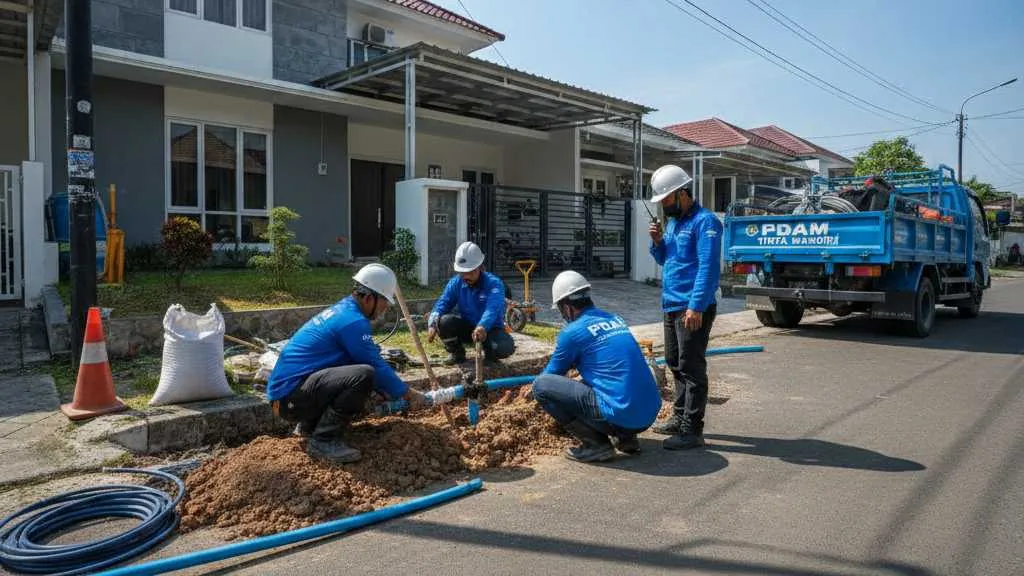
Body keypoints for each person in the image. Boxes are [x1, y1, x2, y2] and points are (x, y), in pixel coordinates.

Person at [267, 263, 427, 464]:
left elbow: (355, 359)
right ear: (369, 298)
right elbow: (373, 366)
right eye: (384, 302)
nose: (385, 309)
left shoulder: (344, 311)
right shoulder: (353, 322)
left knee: (361, 374)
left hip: (287, 397)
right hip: (289, 400)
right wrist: (408, 393)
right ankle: (323, 441)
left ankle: (309, 427)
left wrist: (381, 389)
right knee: (364, 375)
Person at [532, 271, 662, 463]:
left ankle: (596, 444)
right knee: (601, 379)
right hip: (649, 413)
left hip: (623, 416)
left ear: (567, 308)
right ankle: (627, 439)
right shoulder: (616, 319)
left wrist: (530, 388)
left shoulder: (572, 333)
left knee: (541, 387)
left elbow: (551, 376)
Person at [647, 164, 723, 451]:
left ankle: (693, 429)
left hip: (693, 307)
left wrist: (696, 305)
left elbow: (708, 268)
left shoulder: (706, 222)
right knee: (674, 362)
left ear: (681, 194)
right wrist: (657, 242)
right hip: (672, 304)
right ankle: (678, 418)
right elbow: (666, 258)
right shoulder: (676, 222)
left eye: (666, 199)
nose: (663, 206)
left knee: (692, 367)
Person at [427, 241, 516, 365]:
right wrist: (432, 323)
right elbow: (443, 303)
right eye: (462, 272)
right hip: (468, 329)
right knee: (443, 322)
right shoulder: (456, 283)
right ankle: (457, 353)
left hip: (490, 330)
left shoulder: (494, 284)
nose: (466, 276)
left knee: (505, 347)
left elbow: (492, 309)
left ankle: (490, 355)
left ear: (480, 267)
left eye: (470, 272)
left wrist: (483, 326)